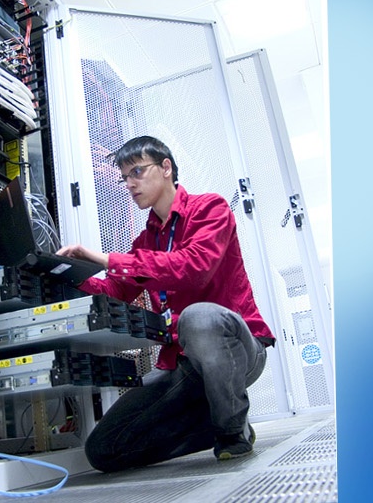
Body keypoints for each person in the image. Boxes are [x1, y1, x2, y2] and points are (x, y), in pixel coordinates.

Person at [56, 136, 276, 472]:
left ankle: (232, 432)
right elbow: (114, 291)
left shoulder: (210, 209)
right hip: (181, 363)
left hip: (237, 352)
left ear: (166, 168)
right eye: (124, 178)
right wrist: (67, 275)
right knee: (102, 450)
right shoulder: (146, 242)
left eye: (137, 172)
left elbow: (194, 269)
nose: (130, 184)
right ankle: (211, 422)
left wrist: (106, 259)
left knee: (199, 317)